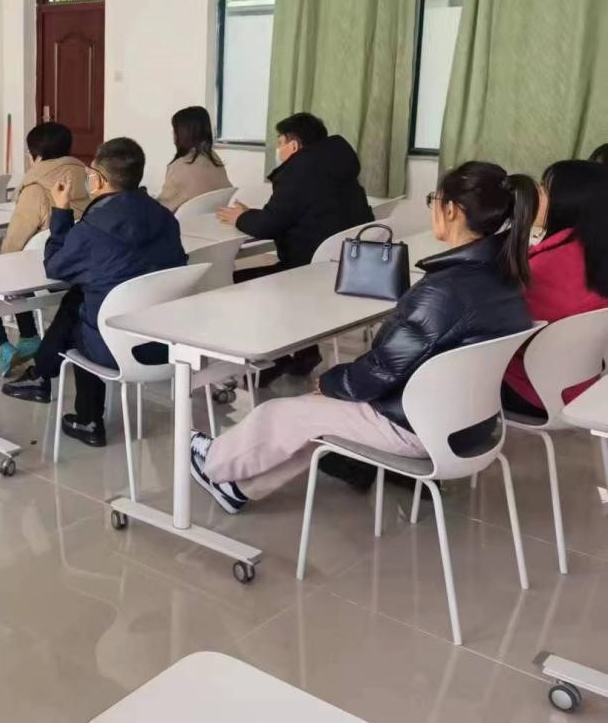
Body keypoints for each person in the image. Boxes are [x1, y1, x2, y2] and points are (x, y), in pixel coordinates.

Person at [188, 161, 536, 513]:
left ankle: (213, 461)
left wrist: (331, 382)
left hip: (415, 425)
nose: (432, 207)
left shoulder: (443, 292)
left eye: (434, 199)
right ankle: (237, 486)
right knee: (310, 416)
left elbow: (382, 371)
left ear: (452, 210)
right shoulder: (505, 278)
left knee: (281, 413)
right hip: (469, 423)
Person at [2, 138, 187, 447]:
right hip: (164, 341)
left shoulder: (94, 227)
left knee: (80, 315)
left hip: (115, 348)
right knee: (78, 297)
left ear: (98, 179)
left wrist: (60, 211)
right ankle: (41, 374)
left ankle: (85, 416)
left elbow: (55, 268)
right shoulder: (166, 218)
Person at [216, 112, 373, 378]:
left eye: (280, 142)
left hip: (308, 270)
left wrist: (241, 217)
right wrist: (252, 214)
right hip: (344, 268)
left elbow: (270, 225)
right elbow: (299, 212)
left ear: (294, 145)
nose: (278, 150)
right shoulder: (337, 164)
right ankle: (304, 353)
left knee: (234, 283)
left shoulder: (300, 172)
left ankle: (270, 359)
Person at [502, 160, 608, 416]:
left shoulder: (545, 267)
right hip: (580, 384)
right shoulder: (594, 252)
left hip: (533, 390)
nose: (535, 196)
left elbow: (498, 326)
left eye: (543, 190)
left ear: (568, 202)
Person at [0, 121, 90, 375]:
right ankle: (28, 337)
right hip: (79, 273)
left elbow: (14, 242)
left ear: (38, 157)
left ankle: (3, 345)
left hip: (45, 275)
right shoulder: (89, 181)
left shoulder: (35, 190)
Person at [157, 106, 232, 212]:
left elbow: (162, 208)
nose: (173, 134)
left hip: (185, 221)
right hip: (214, 219)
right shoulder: (214, 158)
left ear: (182, 133)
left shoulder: (179, 167)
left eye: (175, 130)